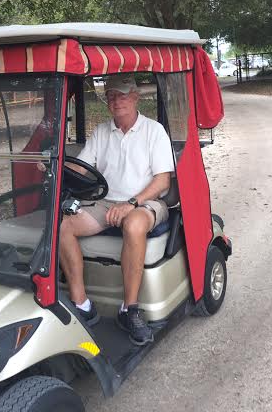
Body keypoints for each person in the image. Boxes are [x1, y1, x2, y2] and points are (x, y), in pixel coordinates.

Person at [59, 74, 174, 345]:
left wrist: (131, 203)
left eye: (122, 95)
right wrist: (55, 165)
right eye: (111, 95)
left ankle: (129, 309)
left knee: (133, 225)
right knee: (63, 225)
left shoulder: (153, 131)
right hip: (106, 202)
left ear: (135, 97)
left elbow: (163, 181)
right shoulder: (101, 132)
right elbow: (81, 167)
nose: (116, 100)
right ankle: (82, 304)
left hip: (145, 201)